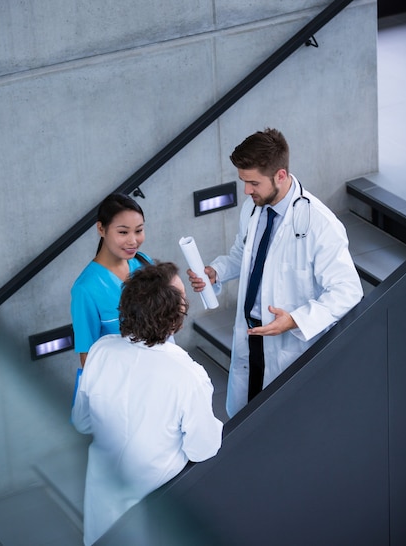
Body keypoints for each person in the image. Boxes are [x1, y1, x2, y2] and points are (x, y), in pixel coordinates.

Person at [188, 128, 363, 417]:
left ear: (280, 175)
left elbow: (348, 291)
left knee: (279, 424)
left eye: (253, 182)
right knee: (245, 418)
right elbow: (242, 254)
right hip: (251, 336)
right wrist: (216, 272)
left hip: (289, 341)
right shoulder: (253, 208)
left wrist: (295, 320)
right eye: (244, 182)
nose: (246, 191)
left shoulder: (320, 225)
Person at [71, 262, 223, 546]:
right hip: (156, 513)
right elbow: (203, 449)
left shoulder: (100, 351)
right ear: (175, 316)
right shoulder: (189, 376)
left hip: (100, 510)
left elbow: (82, 422)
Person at [71, 193, 153, 367]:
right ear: (101, 229)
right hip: (122, 382)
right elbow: (88, 357)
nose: (133, 241)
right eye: (123, 232)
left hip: (157, 370)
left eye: (138, 230)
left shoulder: (144, 263)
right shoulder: (85, 289)